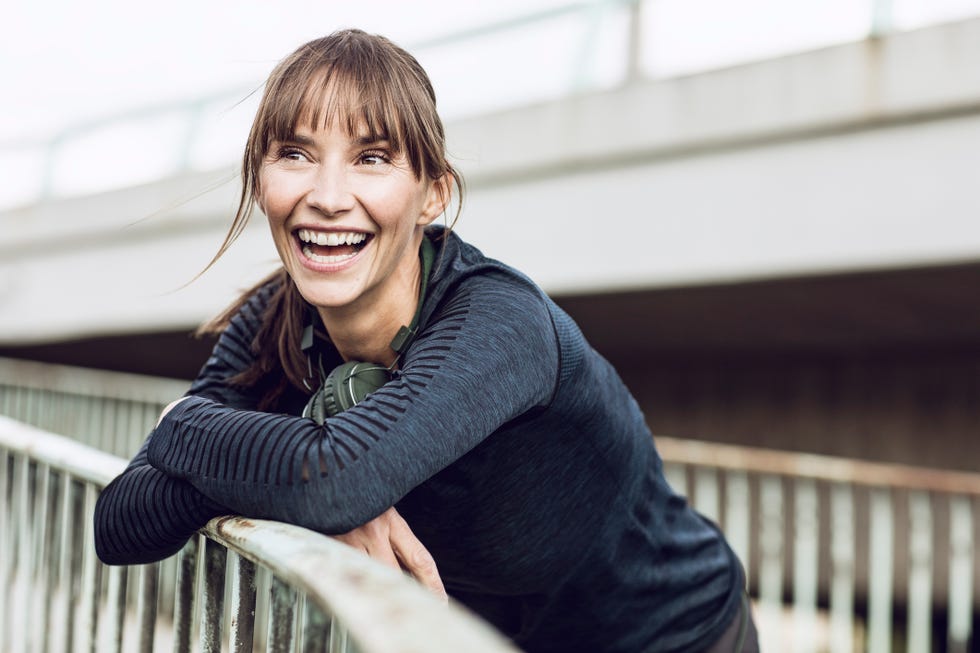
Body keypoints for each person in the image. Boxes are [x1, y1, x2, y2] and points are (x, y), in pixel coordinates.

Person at [93, 29, 759, 652]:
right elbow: (120, 521)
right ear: (260, 177)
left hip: (677, 635)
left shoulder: (499, 323)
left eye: (371, 158)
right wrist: (294, 486)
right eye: (295, 153)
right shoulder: (276, 318)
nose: (327, 196)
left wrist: (184, 426)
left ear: (432, 193)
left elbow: (335, 479)